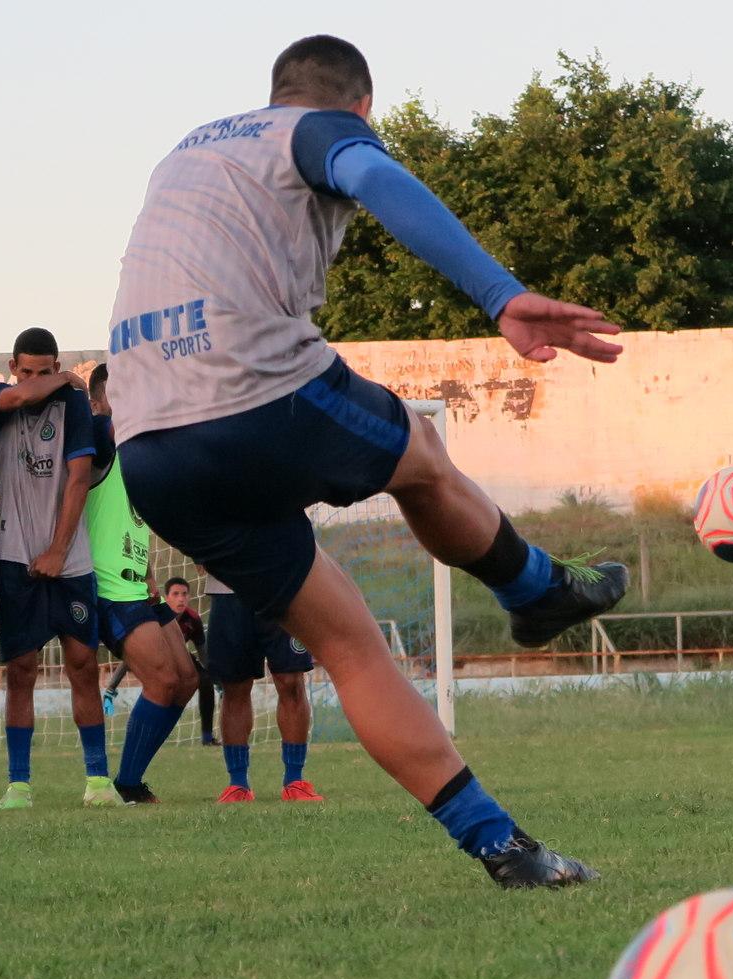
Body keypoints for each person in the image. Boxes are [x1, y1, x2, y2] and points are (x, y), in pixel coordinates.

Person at [108, 34, 627, 888]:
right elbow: (378, 180)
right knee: (421, 451)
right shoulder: (312, 131)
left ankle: (502, 847)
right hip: (254, 389)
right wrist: (502, 294)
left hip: (151, 448)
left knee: (349, 646)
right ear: (361, 107)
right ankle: (534, 590)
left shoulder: (187, 150)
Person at [0, 328, 121, 809]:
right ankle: (19, 785)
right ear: (14, 369)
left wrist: (59, 549)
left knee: (83, 666)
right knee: (20, 670)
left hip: (72, 561)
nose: (35, 379)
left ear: (56, 366)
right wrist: (66, 381)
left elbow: (79, 477)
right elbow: (19, 395)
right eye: (27, 371)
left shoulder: (74, 408)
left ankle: (98, 782)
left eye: (46, 371)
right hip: (14, 558)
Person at [83, 361, 200, 803]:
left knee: (187, 679)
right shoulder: (98, 438)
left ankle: (131, 779)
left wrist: (151, 572)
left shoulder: (135, 453)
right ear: (97, 402)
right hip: (109, 589)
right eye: (118, 393)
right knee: (162, 680)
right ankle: (126, 783)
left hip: (139, 585)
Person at [202, 571, 320, 804]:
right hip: (227, 590)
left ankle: (295, 780)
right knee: (234, 686)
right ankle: (238, 784)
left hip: (282, 584)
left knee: (291, 682)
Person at [161, 576, 219, 745]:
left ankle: (207, 737)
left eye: (184, 594)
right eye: (175, 594)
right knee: (165, 687)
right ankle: (154, 733)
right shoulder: (157, 617)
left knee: (205, 681)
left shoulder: (192, 618)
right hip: (155, 657)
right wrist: (112, 687)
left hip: (180, 656)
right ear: (166, 597)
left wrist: (215, 678)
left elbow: (202, 651)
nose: (181, 598)